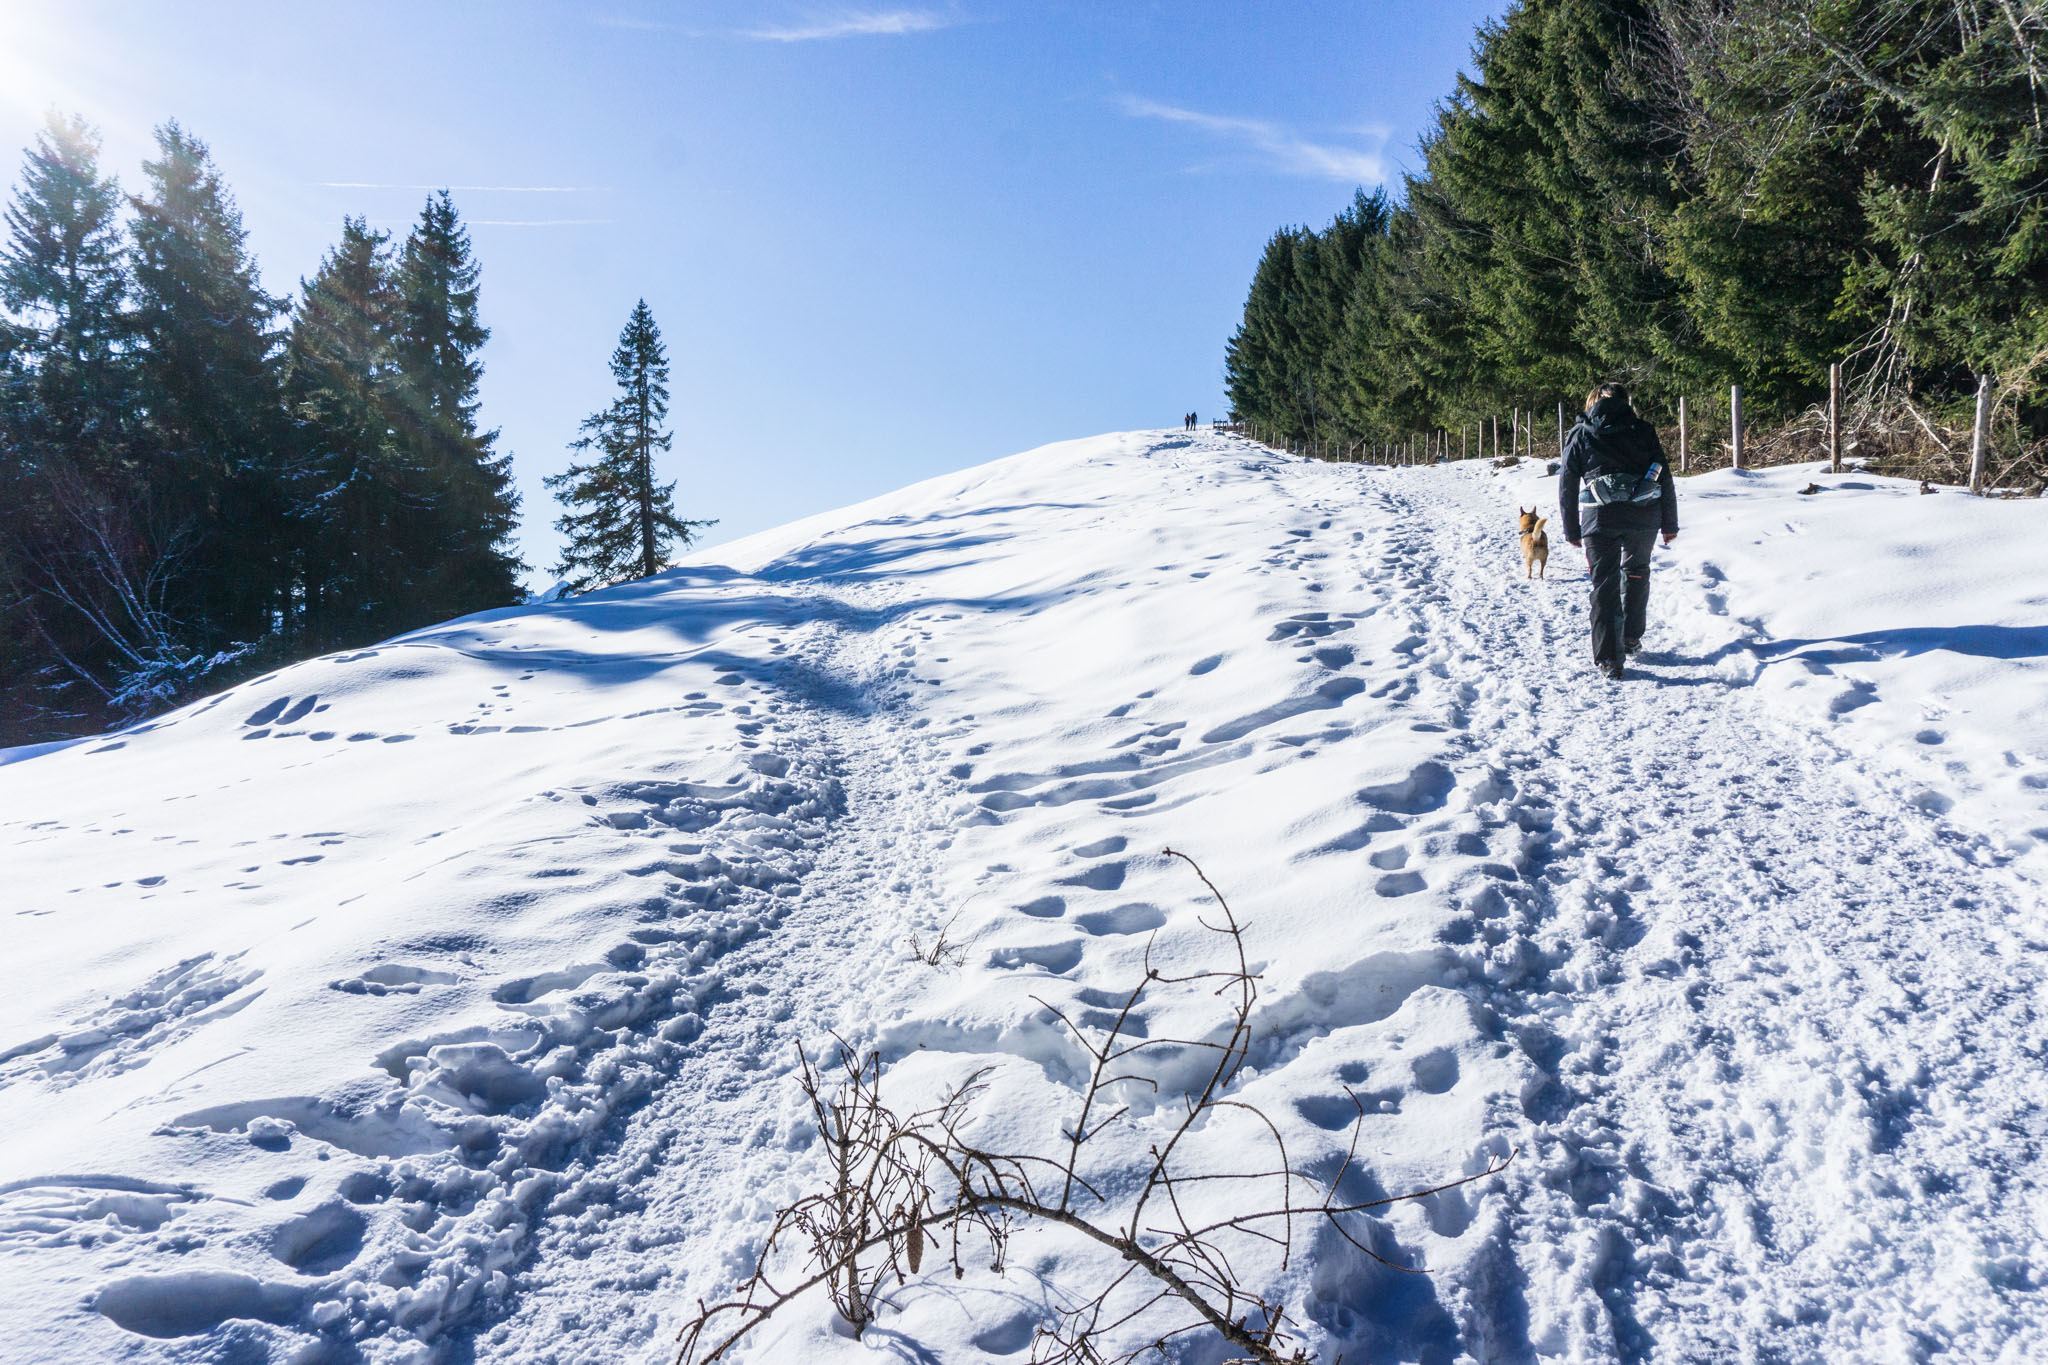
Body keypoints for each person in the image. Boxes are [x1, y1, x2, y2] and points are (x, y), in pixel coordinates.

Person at [1558, 382, 1677, 679]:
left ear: (1594, 401)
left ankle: (1610, 658)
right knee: (1637, 571)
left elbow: (1568, 481)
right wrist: (1669, 522)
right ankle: (1631, 636)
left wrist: (1571, 527)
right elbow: (1663, 475)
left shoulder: (1582, 432)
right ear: (1627, 402)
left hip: (1600, 518)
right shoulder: (1643, 430)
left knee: (1604, 584)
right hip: (1644, 515)